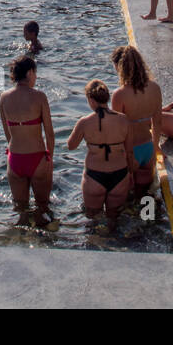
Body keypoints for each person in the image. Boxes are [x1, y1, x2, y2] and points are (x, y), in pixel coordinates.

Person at [66, 80, 134, 232]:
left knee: (92, 220)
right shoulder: (123, 119)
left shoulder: (84, 122)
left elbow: (71, 146)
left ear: (91, 100)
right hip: (120, 174)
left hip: (94, 177)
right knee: (114, 219)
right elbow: (130, 151)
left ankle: (97, 246)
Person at [0, 56, 56, 227]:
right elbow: (50, 133)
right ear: (30, 72)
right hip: (37, 158)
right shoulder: (39, 97)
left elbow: (7, 133)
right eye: (35, 74)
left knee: (21, 212)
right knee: (43, 208)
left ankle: (21, 244)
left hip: (15, 159)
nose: (36, 78)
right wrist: (49, 159)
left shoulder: (4, 98)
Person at [110, 45, 162, 195]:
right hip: (148, 148)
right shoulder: (155, 88)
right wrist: (155, 147)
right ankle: (149, 215)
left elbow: (117, 130)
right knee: (144, 196)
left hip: (130, 151)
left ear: (121, 68)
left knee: (127, 198)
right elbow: (157, 122)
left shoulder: (119, 94)